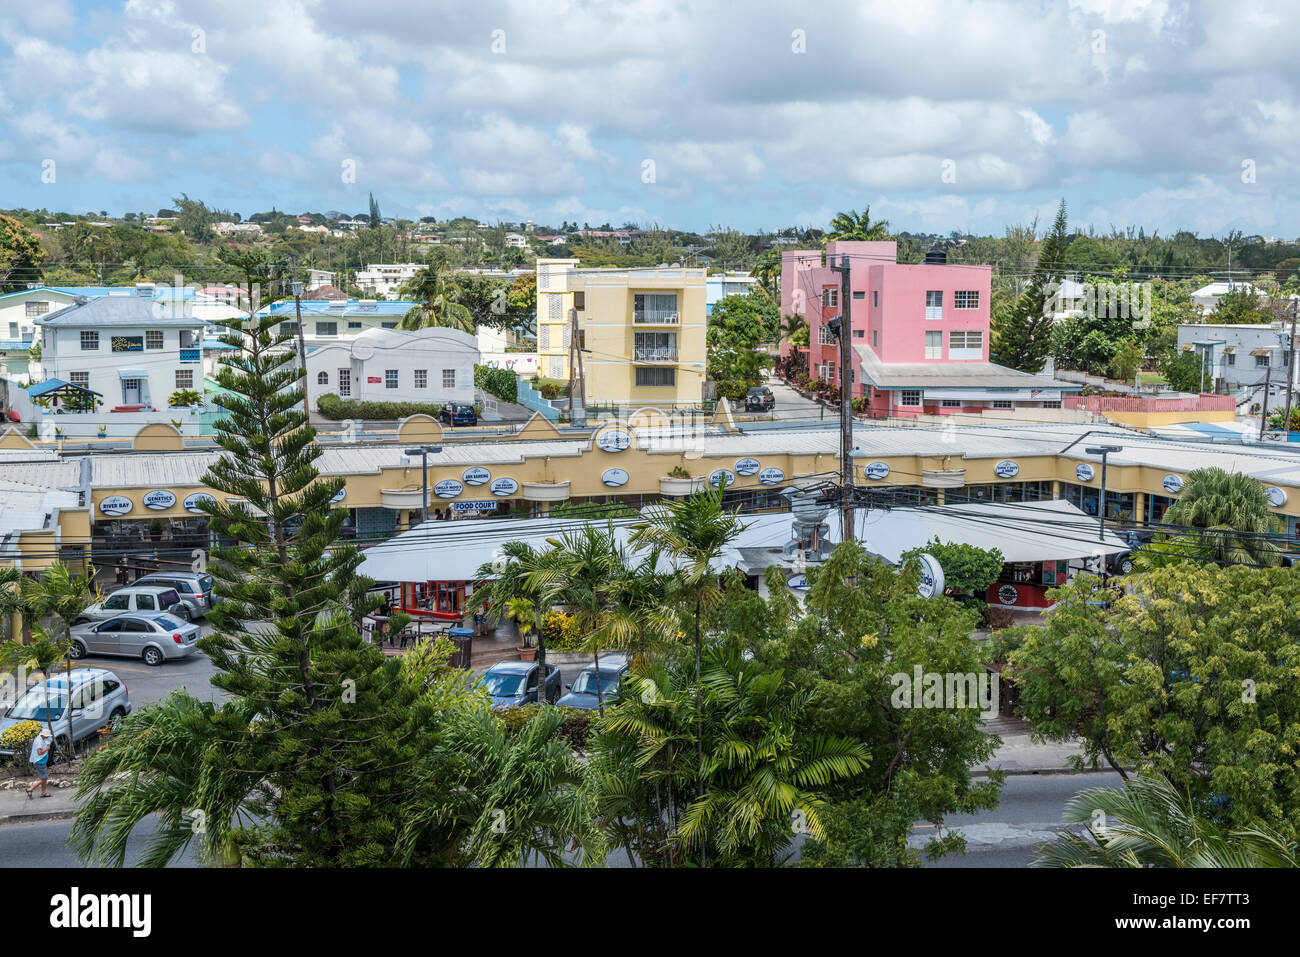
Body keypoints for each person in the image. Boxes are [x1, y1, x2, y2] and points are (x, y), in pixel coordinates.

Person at [25, 727, 53, 799]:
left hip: (42, 761)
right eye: (47, 736)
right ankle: (30, 789)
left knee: (43, 777)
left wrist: (48, 745)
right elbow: (39, 752)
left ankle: (43, 793)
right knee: (44, 778)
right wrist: (46, 749)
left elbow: (49, 740)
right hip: (40, 762)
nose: (48, 737)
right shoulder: (39, 741)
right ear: (44, 735)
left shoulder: (43, 738)